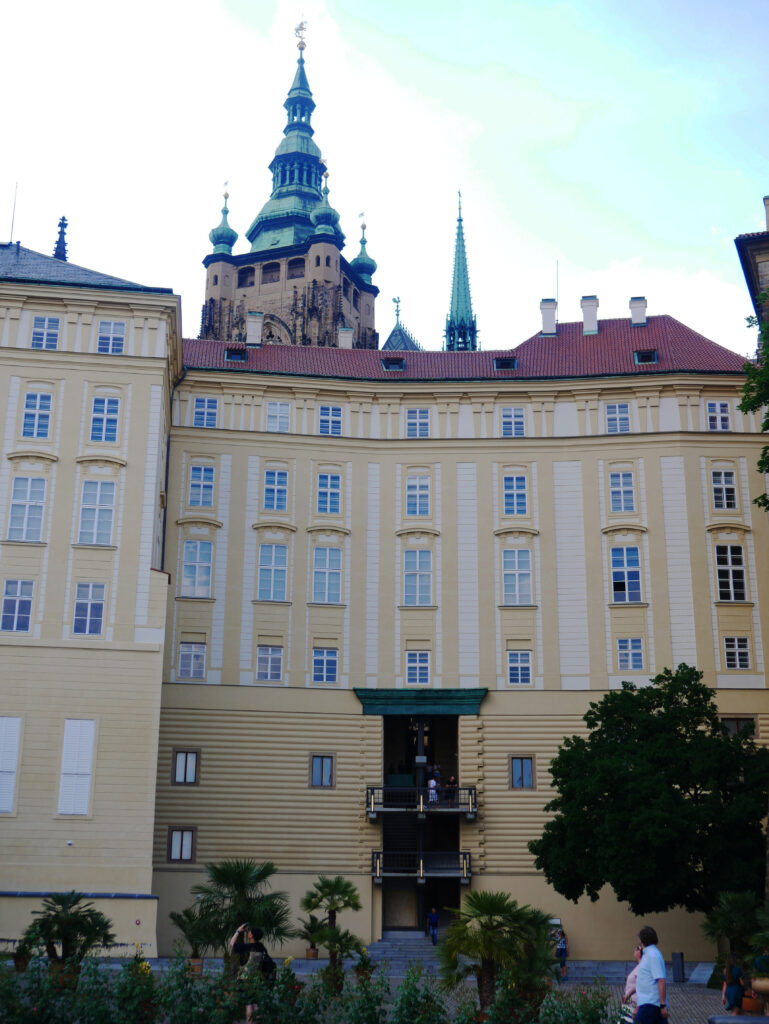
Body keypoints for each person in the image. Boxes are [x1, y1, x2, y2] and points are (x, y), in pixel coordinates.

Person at [229, 922, 275, 1022]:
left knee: (248, 1005)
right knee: (255, 1005)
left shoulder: (248, 947)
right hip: (257, 979)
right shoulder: (261, 947)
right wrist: (248, 932)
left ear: (251, 935)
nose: (248, 933)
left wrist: (238, 930)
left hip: (245, 979)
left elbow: (232, 944)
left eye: (249, 932)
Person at [635, 925, 668, 1023]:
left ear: (642, 940)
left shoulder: (653, 955)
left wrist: (662, 1005)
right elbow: (645, 978)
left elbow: (661, 980)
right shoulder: (647, 954)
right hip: (647, 1004)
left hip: (651, 1005)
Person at [621, 943, 643, 1022]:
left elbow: (641, 986)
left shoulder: (641, 967)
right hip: (630, 1002)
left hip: (634, 1003)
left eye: (637, 948)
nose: (634, 950)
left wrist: (637, 1007)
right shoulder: (639, 966)